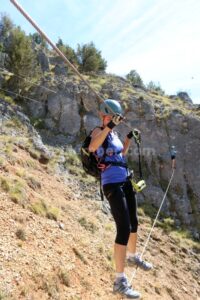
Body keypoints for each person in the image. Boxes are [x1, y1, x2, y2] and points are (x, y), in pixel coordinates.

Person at [88, 99, 153, 299]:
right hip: (112, 183)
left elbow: (120, 155)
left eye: (115, 118)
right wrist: (109, 126)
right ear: (104, 115)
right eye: (111, 116)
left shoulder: (113, 133)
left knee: (134, 222)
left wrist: (127, 139)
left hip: (125, 179)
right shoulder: (98, 131)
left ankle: (133, 257)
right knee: (123, 228)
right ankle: (119, 281)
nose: (113, 119)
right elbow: (92, 148)